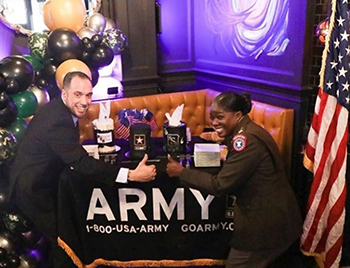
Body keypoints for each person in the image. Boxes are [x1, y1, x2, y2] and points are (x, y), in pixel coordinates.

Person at [9, 71, 156, 268]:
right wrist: (131, 175)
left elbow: (67, 152)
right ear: (64, 94)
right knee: (65, 244)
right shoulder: (58, 119)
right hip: (33, 190)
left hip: (43, 183)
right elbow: (80, 162)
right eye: (78, 94)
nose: (84, 101)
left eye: (88, 95)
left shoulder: (60, 110)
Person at [166, 92, 302, 268]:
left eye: (220, 117)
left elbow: (220, 185)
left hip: (266, 226)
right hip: (277, 219)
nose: (214, 122)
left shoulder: (245, 141)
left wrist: (182, 172)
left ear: (238, 115)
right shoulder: (249, 130)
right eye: (212, 117)